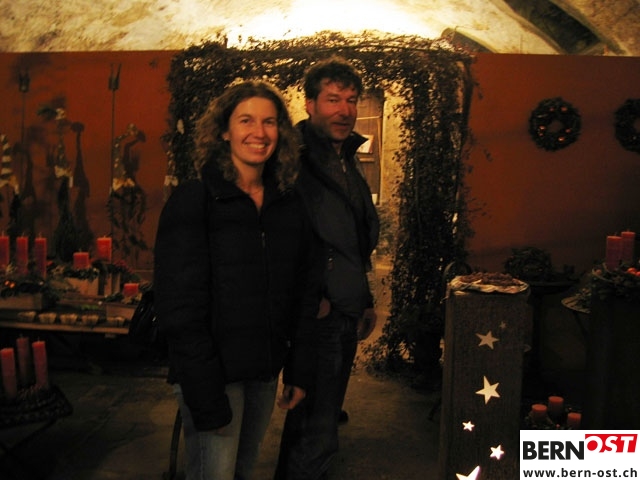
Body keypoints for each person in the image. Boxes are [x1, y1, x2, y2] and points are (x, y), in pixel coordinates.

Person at [154, 80, 321, 480]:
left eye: (269, 122)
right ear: (224, 131)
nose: (259, 132)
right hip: (214, 375)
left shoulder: (288, 204)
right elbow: (179, 309)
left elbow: (304, 291)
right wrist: (205, 396)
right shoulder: (195, 201)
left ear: (281, 132)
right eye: (246, 120)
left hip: (262, 373)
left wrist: (298, 370)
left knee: (243, 473)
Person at [274, 57, 380, 480]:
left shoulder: (345, 157)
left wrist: (364, 297)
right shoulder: (293, 159)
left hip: (344, 306)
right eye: (333, 99)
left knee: (321, 415)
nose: (344, 110)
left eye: (351, 100)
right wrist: (311, 296)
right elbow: (279, 235)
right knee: (315, 427)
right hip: (319, 311)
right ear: (310, 104)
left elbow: (352, 237)